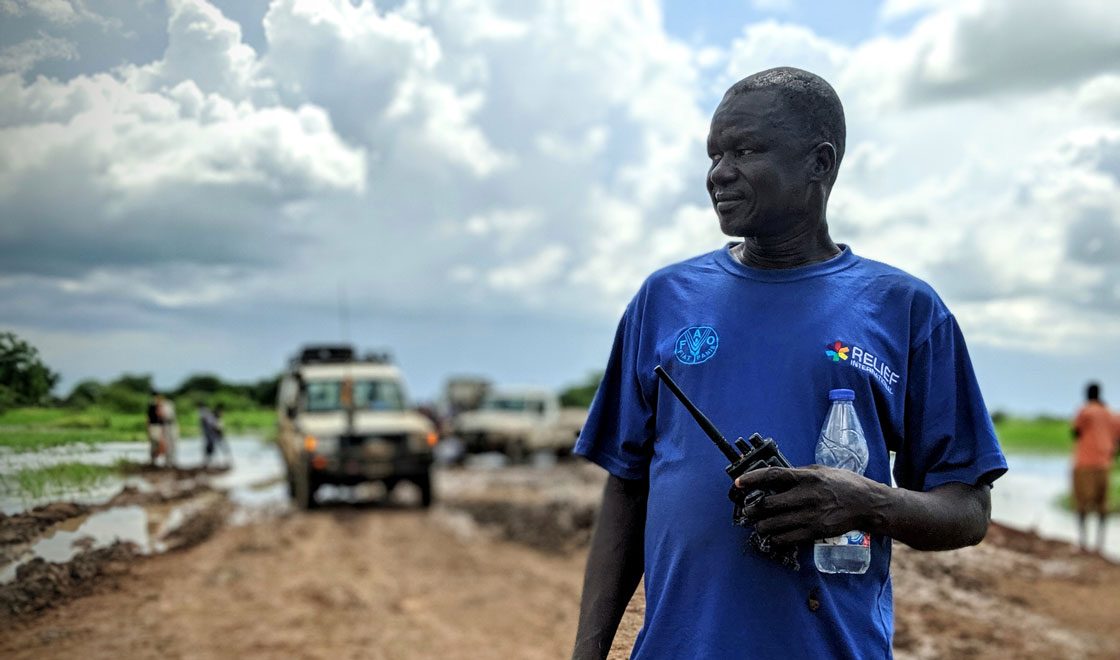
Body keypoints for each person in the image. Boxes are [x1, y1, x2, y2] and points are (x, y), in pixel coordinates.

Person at [571, 67, 1008, 659]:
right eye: (714, 153)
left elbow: (968, 510)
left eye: (746, 150)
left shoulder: (906, 311)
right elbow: (627, 490)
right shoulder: (665, 300)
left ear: (820, 164)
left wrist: (863, 501)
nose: (719, 173)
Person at [1071, 382, 1118, 551]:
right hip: (1104, 465)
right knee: (1102, 505)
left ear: (1088, 394)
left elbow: (1075, 433)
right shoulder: (1112, 414)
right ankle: (1100, 545)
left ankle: (1083, 542)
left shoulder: (1085, 411)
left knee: (1082, 504)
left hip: (1084, 463)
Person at [159, 394, 179, 468]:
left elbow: (170, 416)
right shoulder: (161, 405)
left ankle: (173, 461)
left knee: (173, 443)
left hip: (172, 426)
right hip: (166, 426)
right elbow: (162, 417)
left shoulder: (168, 404)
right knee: (167, 444)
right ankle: (168, 461)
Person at [147, 391, 165, 466]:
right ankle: (153, 460)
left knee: (155, 443)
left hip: (155, 426)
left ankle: (154, 460)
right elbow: (159, 415)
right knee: (156, 443)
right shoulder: (153, 405)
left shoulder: (153, 405)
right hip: (155, 426)